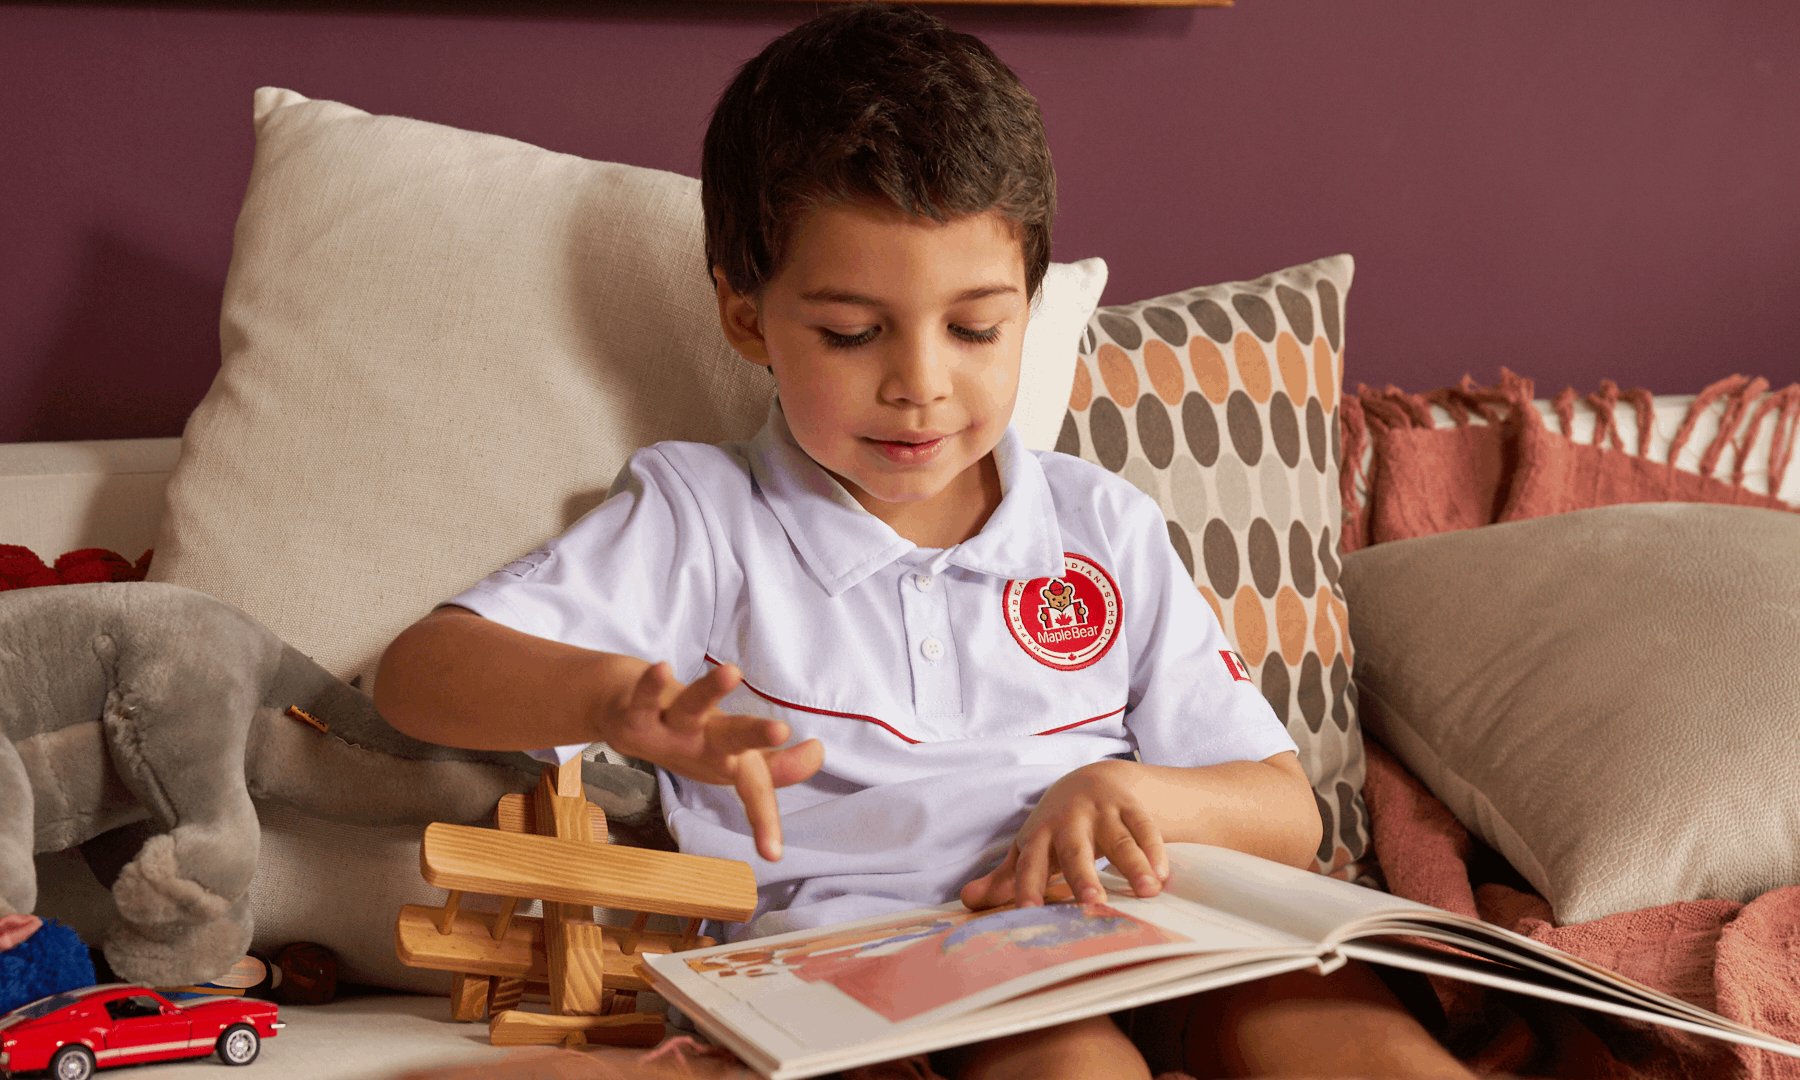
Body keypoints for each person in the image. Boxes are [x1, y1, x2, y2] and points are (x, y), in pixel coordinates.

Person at [375, 6, 1473, 1077]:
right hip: (871, 969)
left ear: (1028, 311)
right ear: (748, 316)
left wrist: (1137, 796)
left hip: (1142, 925)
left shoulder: (1102, 525)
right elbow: (420, 674)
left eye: (975, 329)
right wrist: (615, 700)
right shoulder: (700, 515)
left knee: (1338, 1022)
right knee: (1069, 1058)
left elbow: (1285, 812)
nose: (920, 384)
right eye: (854, 333)